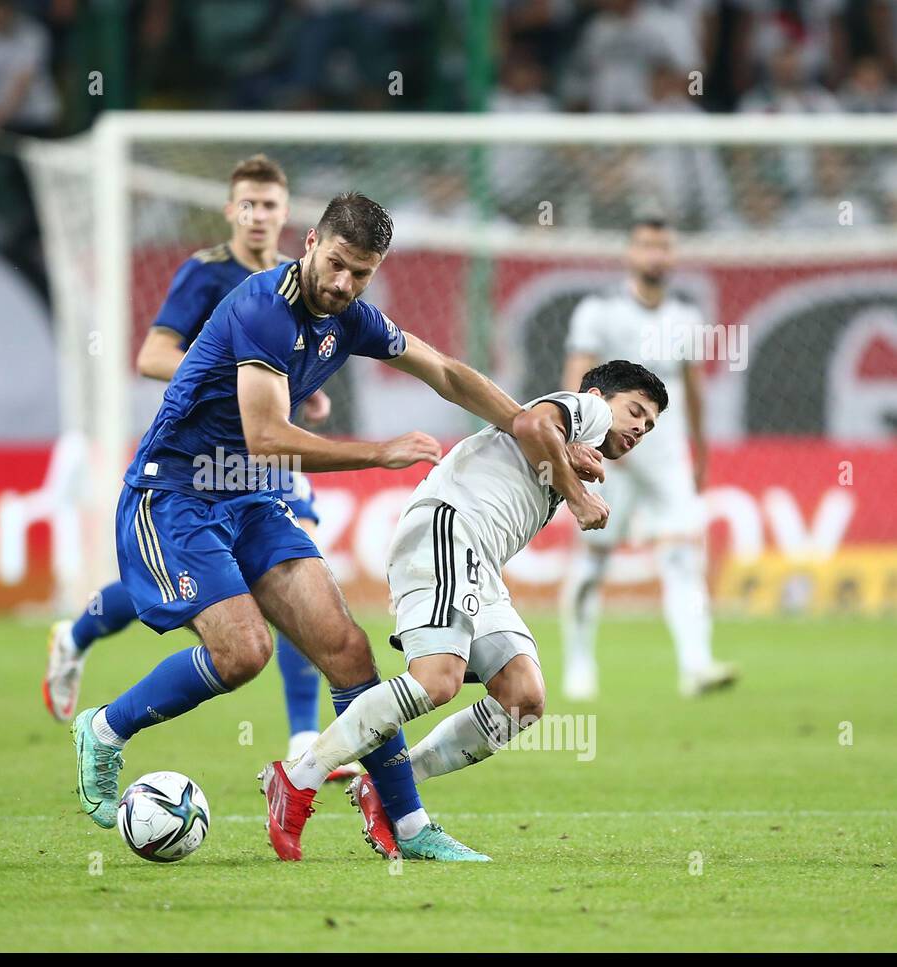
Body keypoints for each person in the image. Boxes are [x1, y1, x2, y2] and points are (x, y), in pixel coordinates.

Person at [71, 191, 605, 861]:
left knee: (350, 653)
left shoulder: (351, 316)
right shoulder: (263, 309)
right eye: (337, 265)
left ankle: (409, 828)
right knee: (244, 653)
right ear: (310, 245)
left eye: (362, 274)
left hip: (252, 502)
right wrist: (375, 452)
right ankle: (105, 728)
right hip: (175, 494)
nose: (345, 284)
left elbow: (442, 370)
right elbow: (266, 436)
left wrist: (530, 425)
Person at [267, 360, 666, 862]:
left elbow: (539, 436)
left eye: (649, 426)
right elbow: (535, 423)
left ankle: (389, 792)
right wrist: (579, 495)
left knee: (522, 697)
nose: (638, 428)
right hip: (448, 533)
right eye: (634, 411)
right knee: (437, 680)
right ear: (595, 395)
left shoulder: (572, 439)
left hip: (479, 565)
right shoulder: (586, 411)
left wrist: (565, 461)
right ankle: (297, 778)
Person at [42, 154, 355, 776]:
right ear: (230, 210)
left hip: (271, 458)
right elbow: (153, 355)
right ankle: (77, 635)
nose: (259, 215)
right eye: (248, 203)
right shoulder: (206, 274)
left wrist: (299, 390)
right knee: (196, 590)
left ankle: (303, 738)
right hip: (203, 459)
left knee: (300, 569)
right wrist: (231, 370)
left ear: (288, 215)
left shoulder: (308, 283)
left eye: (269, 205)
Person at [559, 215, 737, 700]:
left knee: (682, 556)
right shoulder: (598, 311)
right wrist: (579, 438)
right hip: (609, 451)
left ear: (672, 256)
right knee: (595, 559)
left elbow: (694, 389)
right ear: (630, 254)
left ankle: (696, 664)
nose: (655, 255)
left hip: (666, 455)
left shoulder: (686, 318)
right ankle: (578, 663)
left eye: (663, 247)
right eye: (646, 246)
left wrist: (700, 449)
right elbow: (577, 378)